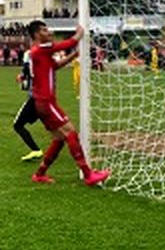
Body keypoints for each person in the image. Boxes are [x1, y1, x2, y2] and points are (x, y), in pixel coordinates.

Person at [25, 21, 111, 186]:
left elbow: (55, 66)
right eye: (44, 30)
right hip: (45, 102)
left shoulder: (41, 53)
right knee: (71, 133)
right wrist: (79, 35)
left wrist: (75, 54)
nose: (48, 32)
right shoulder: (40, 49)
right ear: (36, 35)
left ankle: (39, 173)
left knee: (59, 138)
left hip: (42, 102)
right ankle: (88, 175)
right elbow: (66, 43)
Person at [13, 55, 44, 161]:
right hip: (46, 98)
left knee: (17, 125)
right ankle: (76, 142)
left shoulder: (32, 55)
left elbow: (26, 71)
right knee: (54, 127)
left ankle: (35, 150)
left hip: (35, 98)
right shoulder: (44, 57)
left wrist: (22, 76)